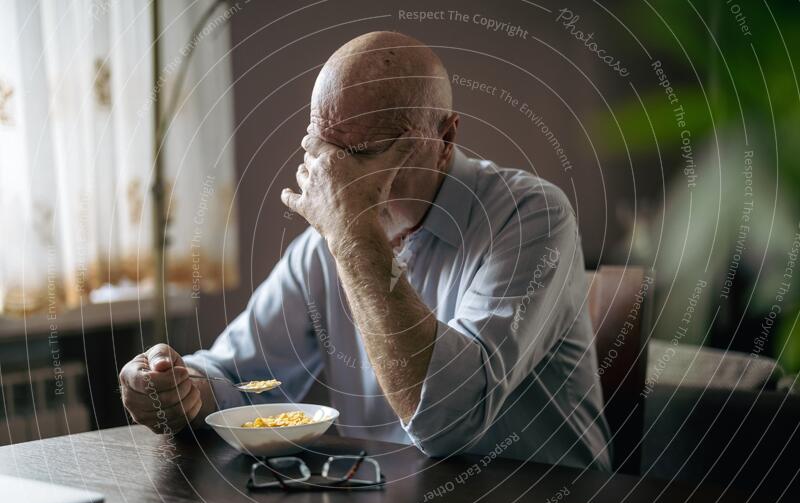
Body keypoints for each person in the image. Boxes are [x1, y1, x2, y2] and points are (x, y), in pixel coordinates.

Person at [119, 31, 612, 470]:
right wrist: (182, 389)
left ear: (444, 137)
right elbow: (236, 372)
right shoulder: (324, 247)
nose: (335, 177)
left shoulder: (531, 217)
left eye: (362, 153)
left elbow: (448, 420)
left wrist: (353, 236)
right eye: (321, 147)